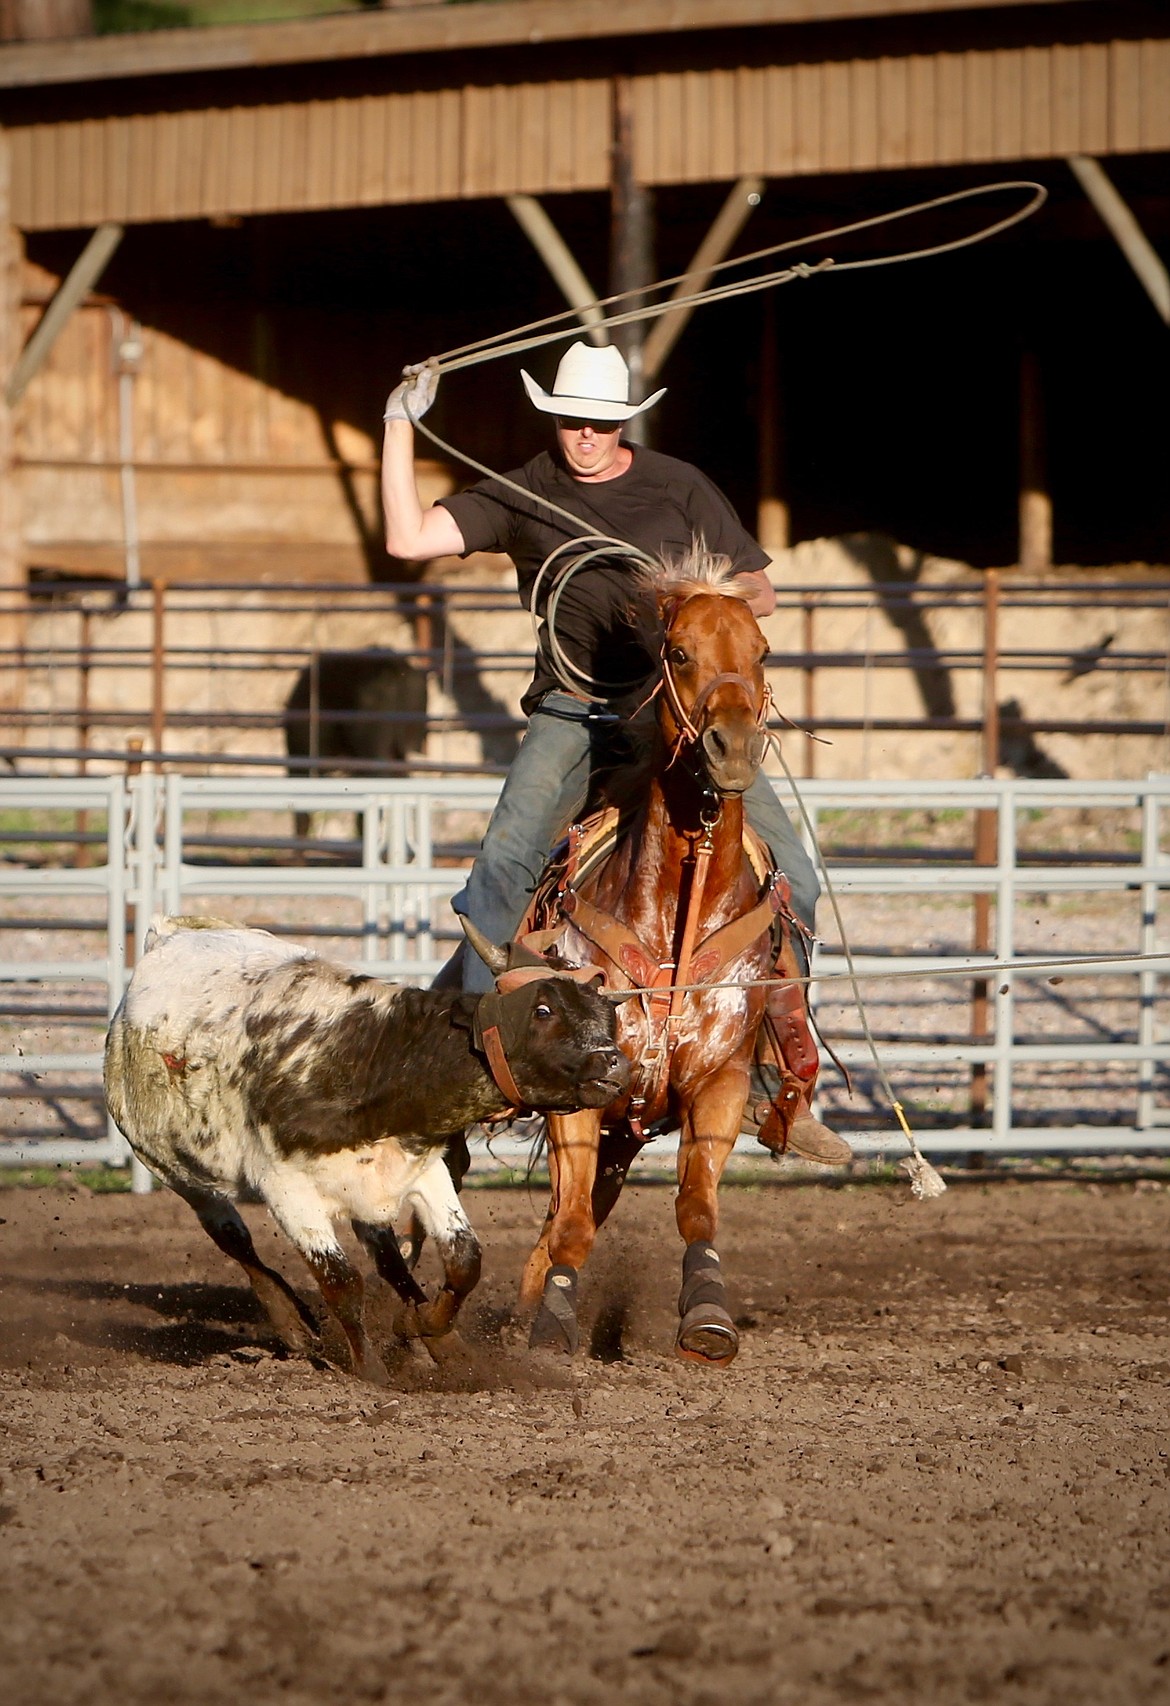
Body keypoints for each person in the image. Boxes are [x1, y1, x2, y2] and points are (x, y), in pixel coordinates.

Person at [382, 341, 846, 1162]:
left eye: (599, 422)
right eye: (571, 421)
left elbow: (762, 589)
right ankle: (452, 1072)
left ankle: (778, 1082)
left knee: (793, 877)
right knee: (502, 866)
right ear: (553, 417)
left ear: (623, 422)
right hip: (574, 710)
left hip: (680, 711)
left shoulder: (679, 487)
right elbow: (408, 539)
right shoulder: (526, 491)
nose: (585, 436)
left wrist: (697, 589)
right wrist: (395, 427)